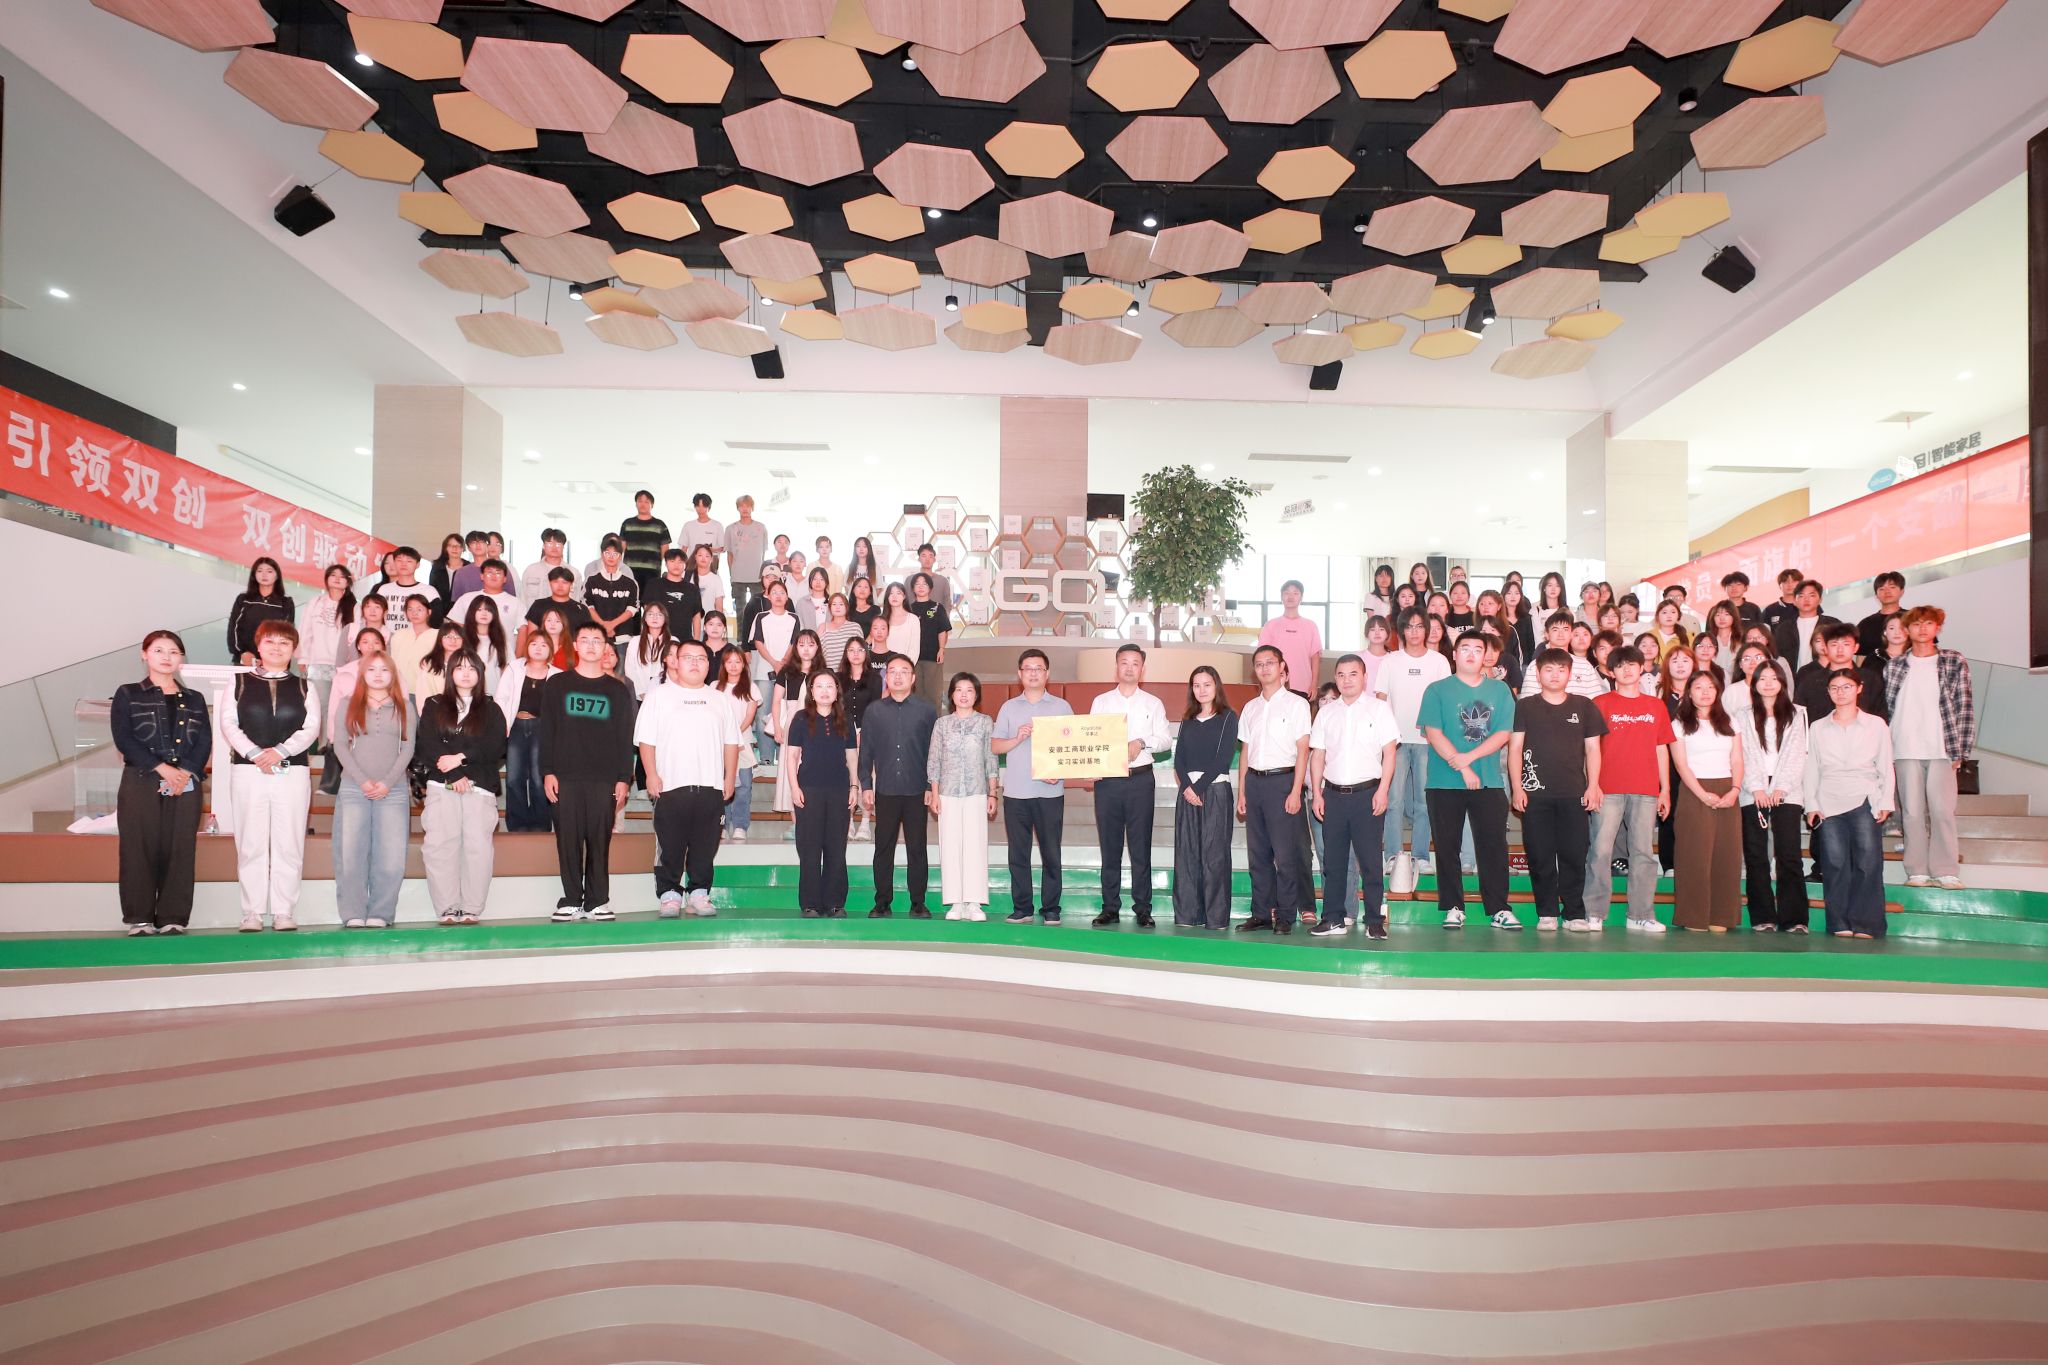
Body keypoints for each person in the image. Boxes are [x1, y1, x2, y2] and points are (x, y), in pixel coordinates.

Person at [111, 630, 211, 936]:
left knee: (180, 848)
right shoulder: (128, 693)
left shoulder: (195, 698)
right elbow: (124, 738)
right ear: (144, 655)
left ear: (181, 658)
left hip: (186, 783)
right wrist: (162, 768)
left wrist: (185, 772)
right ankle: (139, 918)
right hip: (141, 779)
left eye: (173, 652)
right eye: (158, 650)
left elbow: (203, 741)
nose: (166, 657)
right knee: (138, 847)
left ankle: (173, 917)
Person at [222, 620, 318, 933]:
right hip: (248, 771)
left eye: (284, 643)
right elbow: (229, 724)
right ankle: (251, 912)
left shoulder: (305, 686)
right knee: (250, 842)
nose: (277, 648)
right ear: (259, 646)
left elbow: (311, 728)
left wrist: (280, 752)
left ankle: (283, 911)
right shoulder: (238, 682)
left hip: (292, 771)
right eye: (270, 642)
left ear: (294, 649)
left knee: (289, 843)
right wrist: (254, 754)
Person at [636, 638, 741, 918]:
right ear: (675, 662)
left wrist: (730, 777)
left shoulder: (719, 699)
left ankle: (699, 893)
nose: (695, 663)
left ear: (709, 665)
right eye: (688, 657)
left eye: (701, 658)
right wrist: (651, 774)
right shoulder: (659, 696)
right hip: (671, 785)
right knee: (670, 843)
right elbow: (646, 740)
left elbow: (731, 743)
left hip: (710, 786)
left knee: (705, 844)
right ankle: (669, 894)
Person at [1419, 631, 1516, 930]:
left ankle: (1499, 908)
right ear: (1454, 654)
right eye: (1465, 648)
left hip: (1488, 782)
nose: (1471, 654)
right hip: (1443, 782)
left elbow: (1503, 734)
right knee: (1447, 847)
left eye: (1477, 649)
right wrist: (1462, 768)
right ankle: (1453, 907)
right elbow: (1433, 733)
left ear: (1487, 656)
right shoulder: (1437, 690)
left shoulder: (1500, 691)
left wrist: (1469, 759)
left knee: (1493, 847)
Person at [541, 623, 636, 922]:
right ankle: (571, 899)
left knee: (599, 841)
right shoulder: (557, 684)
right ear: (575, 646)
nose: (592, 645)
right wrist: (547, 771)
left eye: (598, 640)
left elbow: (624, 737)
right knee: (567, 841)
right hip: (565, 776)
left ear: (607, 647)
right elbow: (547, 731)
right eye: (585, 640)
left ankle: (597, 900)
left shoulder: (617, 690)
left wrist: (623, 777)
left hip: (603, 778)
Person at [1509, 647, 1607, 933]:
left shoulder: (1584, 706)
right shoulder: (1525, 706)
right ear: (1538, 674)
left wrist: (1593, 785)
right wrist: (1517, 788)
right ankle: (1547, 912)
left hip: (1574, 793)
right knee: (1540, 855)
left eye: (1561, 670)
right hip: (1535, 794)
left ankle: (1574, 913)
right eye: (1548, 670)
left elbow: (1593, 749)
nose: (1554, 675)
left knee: (1574, 855)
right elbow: (1515, 749)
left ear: (1570, 674)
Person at [1307, 654, 1400, 939]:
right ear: (1335, 678)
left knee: (1370, 862)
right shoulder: (1326, 713)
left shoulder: (1379, 709)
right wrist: (1317, 793)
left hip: (1368, 794)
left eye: (1353, 674)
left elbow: (1389, 753)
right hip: (1333, 796)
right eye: (1341, 675)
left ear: (1364, 677)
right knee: (1333, 863)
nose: (1347, 680)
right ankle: (1332, 918)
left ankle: (1374, 920)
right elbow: (1317, 755)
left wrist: (1383, 790)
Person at [1885, 604, 1974, 890]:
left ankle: (1946, 869)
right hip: (1904, 747)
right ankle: (1917, 870)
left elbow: (1964, 705)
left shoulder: (1953, 661)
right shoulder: (1895, 665)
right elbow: (1888, 708)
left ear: (1938, 627)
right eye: (1916, 624)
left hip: (1941, 747)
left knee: (1942, 811)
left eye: (1928, 623)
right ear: (1907, 630)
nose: (1922, 629)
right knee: (1911, 812)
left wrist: (1961, 749)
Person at [415, 649, 506, 925]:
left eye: (472, 668)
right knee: (440, 847)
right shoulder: (434, 704)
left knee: (478, 849)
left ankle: (472, 908)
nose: (465, 673)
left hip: (479, 787)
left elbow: (496, 746)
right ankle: (447, 907)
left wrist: (461, 758)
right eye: (459, 668)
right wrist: (454, 774)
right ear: (450, 672)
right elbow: (427, 744)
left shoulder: (491, 708)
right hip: (442, 784)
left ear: (480, 674)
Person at [1586, 646, 1673, 934]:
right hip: (1607, 788)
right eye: (1620, 666)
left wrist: (1665, 789)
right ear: (1611, 672)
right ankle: (1594, 912)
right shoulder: (1600, 703)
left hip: (1645, 789)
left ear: (1642, 668)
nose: (1626, 670)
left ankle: (1640, 914)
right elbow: (1590, 749)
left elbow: (1662, 749)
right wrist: (1592, 785)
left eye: (1632, 664)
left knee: (1643, 853)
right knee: (1600, 851)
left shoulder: (1656, 706)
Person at [1086, 643, 1172, 928]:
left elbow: (1165, 740)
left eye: (1135, 663)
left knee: (1140, 847)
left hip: (1140, 780)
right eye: (1124, 662)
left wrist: (1141, 742)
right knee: (1109, 847)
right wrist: (1090, 767)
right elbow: (1090, 740)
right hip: (1108, 781)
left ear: (1142, 669)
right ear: (1116, 667)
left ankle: (1143, 908)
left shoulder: (1153, 703)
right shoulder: (1100, 702)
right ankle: (1109, 907)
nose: (1129, 668)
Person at [1805, 669, 1896, 938]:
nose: (1840, 692)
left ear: (1859, 688)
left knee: (1868, 863)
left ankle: (1866, 923)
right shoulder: (1818, 727)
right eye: (1834, 687)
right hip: (1828, 800)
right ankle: (1839, 923)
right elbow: (1811, 768)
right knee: (1834, 864)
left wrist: (1886, 800)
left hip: (1865, 797)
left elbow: (1886, 764)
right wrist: (1811, 804)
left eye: (1846, 686)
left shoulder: (1876, 725)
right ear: (1828, 692)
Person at [332, 653, 414, 929]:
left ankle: (381, 912)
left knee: (391, 855)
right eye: (371, 669)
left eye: (384, 669)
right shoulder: (347, 704)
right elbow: (340, 745)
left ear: (393, 674)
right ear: (363, 673)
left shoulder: (405, 707)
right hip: (354, 788)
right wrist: (362, 781)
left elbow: (408, 748)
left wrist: (387, 782)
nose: (378, 674)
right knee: (350, 853)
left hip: (394, 790)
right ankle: (353, 912)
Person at [1235, 644, 1312, 934]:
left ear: (1282, 668)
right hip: (1254, 783)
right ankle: (1261, 914)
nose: (1264, 668)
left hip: (1283, 783)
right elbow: (1245, 752)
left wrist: (1295, 791)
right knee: (1258, 855)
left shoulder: (1297, 704)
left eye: (1270, 662)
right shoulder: (1250, 708)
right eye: (1259, 664)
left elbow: (1303, 751)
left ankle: (1285, 916)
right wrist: (1242, 791)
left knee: (1285, 855)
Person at [993, 648, 1073, 924]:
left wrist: (1058, 771)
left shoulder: (1061, 707)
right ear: (1020, 674)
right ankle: (1022, 907)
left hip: (1050, 792)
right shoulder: (1008, 707)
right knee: (1018, 853)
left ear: (1047, 674)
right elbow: (995, 746)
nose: (1033, 673)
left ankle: (1051, 908)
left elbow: (1072, 748)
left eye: (1039, 668)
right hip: (1016, 792)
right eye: (1028, 668)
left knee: (1051, 852)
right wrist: (1017, 738)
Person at [861, 655, 939, 918]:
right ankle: (882, 902)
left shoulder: (927, 710)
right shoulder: (874, 711)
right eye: (892, 671)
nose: (897, 676)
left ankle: (918, 903)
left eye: (904, 671)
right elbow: (866, 751)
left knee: (917, 848)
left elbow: (933, 752)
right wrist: (865, 784)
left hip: (917, 790)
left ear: (913, 678)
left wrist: (930, 786)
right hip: (885, 790)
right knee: (883, 848)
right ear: (887, 677)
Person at [1671, 670, 1745, 932]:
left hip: (1728, 790)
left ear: (1718, 691)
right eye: (1699, 687)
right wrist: (1702, 794)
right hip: (1694, 791)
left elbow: (1737, 759)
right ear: (1689, 692)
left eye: (1710, 687)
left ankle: (1721, 916)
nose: (1705, 692)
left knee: (1727, 855)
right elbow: (1681, 765)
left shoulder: (1730, 721)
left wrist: (1735, 790)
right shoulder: (1679, 724)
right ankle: (1694, 916)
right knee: (1694, 855)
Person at [1376, 607, 1449, 876]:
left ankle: (1420, 856)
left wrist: (1437, 733)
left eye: (1420, 626)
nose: (1415, 632)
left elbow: (1444, 702)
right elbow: (1380, 700)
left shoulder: (1439, 661)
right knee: (1393, 801)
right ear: (1401, 631)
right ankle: (1392, 855)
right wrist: (1385, 736)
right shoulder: (1390, 661)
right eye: (1409, 627)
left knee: (1424, 802)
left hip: (1428, 741)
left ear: (1426, 630)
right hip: (1394, 742)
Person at [1739, 658, 1809, 932]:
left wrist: (1782, 787)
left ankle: (1795, 918)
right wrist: (1756, 787)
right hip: (1752, 790)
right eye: (1762, 679)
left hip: (1787, 790)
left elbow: (1798, 753)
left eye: (1773, 678)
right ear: (1754, 683)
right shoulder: (1743, 715)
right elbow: (1743, 753)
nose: (1768, 684)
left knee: (1789, 854)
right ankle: (1763, 916)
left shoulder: (1797, 713)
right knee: (1756, 855)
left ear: (1782, 682)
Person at [1169, 666, 1239, 930]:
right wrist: (1188, 788)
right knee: (1186, 854)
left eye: (1207, 684)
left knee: (1215, 855)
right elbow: (1179, 759)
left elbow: (1223, 758)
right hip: (1187, 793)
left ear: (1216, 686)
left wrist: (1197, 788)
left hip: (1215, 790)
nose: (1201, 690)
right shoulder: (1187, 720)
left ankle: (1216, 918)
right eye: (1196, 685)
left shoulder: (1228, 717)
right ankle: (1188, 915)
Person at [787, 669, 858, 917]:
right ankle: (811, 903)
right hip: (808, 790)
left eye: (830, 686)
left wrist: (854, 786)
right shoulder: (800, 718)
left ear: (837, 690)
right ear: (811, 691)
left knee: (836, 847)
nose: (825, 691)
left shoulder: (846, 718)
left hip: (839, 790)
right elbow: (792, 756)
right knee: (809, 847)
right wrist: (794, 787)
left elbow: (852, 756)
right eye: (819, 686)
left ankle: (835, 902)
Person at [928, 672, 997, 920]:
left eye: (969, 690)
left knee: (975, 846)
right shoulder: (942, 724)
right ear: (951, 695)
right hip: (947, 793)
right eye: (959, 690)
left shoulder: (985, 722)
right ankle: (955, 903)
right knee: (950, 846)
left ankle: (974, 903)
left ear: (976, 695)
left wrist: (993, 793)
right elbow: (934, 760)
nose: (964, 695)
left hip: (977, 792)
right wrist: (935, 793)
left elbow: (991, 759)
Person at [495, 626, 559, 833]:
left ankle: (541, 825)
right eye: (534, 644)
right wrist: (502, 726)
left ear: (551, 649)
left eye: (544, 645)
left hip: (542, 729)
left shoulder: (557, 675)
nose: (538, 648)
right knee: (514, 778)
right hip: (515, 726)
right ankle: (517, 825)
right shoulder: (514, 668)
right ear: (527, 647)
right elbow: (501, 699)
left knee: (539, 780)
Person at [770, 628, 826, 814]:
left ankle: (815, 814)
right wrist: (777, 727)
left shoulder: (824, 673)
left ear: (818, 647)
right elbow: (776, 701)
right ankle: (796, 821)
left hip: (817, 723)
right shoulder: (786, 672)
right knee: (791, 768)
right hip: (792, 723)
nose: (806, 649)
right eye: (801, 645)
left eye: (811, 645)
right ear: (795, 648)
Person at [747, 577, 799, 765]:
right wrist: (773, 662)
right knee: (763, 714)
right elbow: (758, 642)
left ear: (787, 597)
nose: (778, 596)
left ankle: (782, 756)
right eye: (774, 592)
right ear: (767, 595)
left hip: (788, 672)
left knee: (784, 712)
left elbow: (794, 643)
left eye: (782, 593)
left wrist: (783, 662)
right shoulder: (761, 617)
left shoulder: (794, 618)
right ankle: (766, 758)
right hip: (764, 671)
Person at [838, 635, 883, 838]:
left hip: (869, 733)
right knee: (847, 776)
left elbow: (875, 708)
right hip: (843, 733)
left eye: (860, 650)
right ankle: (847, 821)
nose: (856, 654)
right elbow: (837, 708)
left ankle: (865, 821)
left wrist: (864, 733)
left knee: (867, 775)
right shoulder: (838, 678)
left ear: (866, 653)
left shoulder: (875, 678)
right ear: (846, 654)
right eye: (851, 650)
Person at [1797, 623, 1884, 723]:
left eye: (1846, 644)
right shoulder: (1810, 681)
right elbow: (1799, 717)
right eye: (1834, 645)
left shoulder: (1871, 679)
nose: (1840, 650)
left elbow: (1881, 716)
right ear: (1825, 648)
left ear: (1856, 647)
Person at [714, 646, 758, 842]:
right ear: (723, 664)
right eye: (729, 661)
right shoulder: (715, 687)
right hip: (719, 744)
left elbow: (750, 715)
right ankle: (722, 825)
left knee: (744, 786)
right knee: (720, 786)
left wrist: (735, 734)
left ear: (744, 664)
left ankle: (740, 825)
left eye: (737, 661)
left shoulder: (751, 687)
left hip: (743, 742)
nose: (733, 665)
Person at [1258, 580, 1323, 698]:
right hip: (1275, 686)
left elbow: (1315, 657)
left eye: (1295, 593)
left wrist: (1314, 684)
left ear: (1301, 597)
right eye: (1287, 593)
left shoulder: (1311, 626)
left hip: (1303, 686)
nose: (1291, 596)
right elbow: (1262, 657)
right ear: (1281, 597)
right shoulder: (1270, 625)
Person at [227, 556, 295, 665]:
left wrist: (266, 658)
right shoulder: (244, 599)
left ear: (277, 575)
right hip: (245, 660)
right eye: (260, 571)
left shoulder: (286, 602)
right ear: (254, 575)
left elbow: (286, 635)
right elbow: (233, 628)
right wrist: (242, 653)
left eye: (269, 571)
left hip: (274, 661)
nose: (264, 575)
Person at [1771, 578, 1838, 671]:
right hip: (1794, 677)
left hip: (1826, 675)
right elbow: (1777, 656)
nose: (1806, 599)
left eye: (1811, 595)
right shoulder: (1784, 628)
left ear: (1820, 600)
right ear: (1794, 601)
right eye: (1801, 596)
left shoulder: (1833, 625)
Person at [908, 572, 953, 708]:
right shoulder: (908, 609)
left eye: (924, 584)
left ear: (930, 588)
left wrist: (941, 649)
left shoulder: (937, 607)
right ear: (913, 588)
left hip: (933, 657)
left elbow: (942, 630)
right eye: (917, 584)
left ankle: (934, 722)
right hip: (913, 659)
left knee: (933, 694)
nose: (921, 586)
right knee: (916, 695)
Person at [584, 535, 640, 643]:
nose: (611, 557)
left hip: (623, 638)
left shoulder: (630, 582)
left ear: (620, 557)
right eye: (607, 553)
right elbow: (587, 604)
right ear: (602, 555)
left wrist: (612, 624)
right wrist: (603, 625)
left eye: (615, 554)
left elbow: (633, 608)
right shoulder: (591, 580)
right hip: (596, 635)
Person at [618, 490, 671, 597]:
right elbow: (621, 548)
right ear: (636, 503)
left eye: (646, 502)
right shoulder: (627, 523)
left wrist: (655, 563)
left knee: (650, 601)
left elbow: (665, 549)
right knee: (631, 601)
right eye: (640, 501)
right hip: (630, 571)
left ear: (652, 505)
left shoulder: (660, 525)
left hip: (652, 572)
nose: (643, 504)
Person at [644, 548, 703, 641]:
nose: (676, 565)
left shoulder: (692, 589)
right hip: (657, 639)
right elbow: (646, 611)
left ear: (685, 565)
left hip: (684, 640)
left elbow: (696, 617)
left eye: (680, 562)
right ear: (666, 563)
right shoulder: (654, 584)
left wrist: (696, 641)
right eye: (672, 561)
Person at [624, 599, 676, 703]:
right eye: (650, 614)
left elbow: (675, 669)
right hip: (639, 697)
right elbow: (630, 671)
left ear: (665, 619)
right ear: (645, 618)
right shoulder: (635, 641)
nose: (655, 617)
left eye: (659, 615)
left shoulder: (673, 641)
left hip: (666, 696)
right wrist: (642, 695)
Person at [449, 558, 521, 631]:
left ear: (505, 578)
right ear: (482, 576)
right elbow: (455, 628)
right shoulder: (466, 599)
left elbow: (522, 629)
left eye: (498, 573)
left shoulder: (515, 602)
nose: (494, 576)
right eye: (489, 573)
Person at [725, 495, 768, 618]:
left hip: (757, 576)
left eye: (748, 506)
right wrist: (732, 574)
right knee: (740, 610)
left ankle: (757, 631)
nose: (745, 509)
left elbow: (762, 553)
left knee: (758, 610)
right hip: (737, 576)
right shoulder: (730, 528)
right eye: (742, 506)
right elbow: (729, 554)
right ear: (737, 508)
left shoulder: (761, 527)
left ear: (752, 508)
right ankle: (741, 632)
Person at [459, 592, 511, 692]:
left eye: (488, 610)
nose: (484, 613)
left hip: (495, 693)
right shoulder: (462, 639)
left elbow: (508, 669)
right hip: (467, 693)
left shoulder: (501, 641)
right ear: (472, 612)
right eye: (479, 610)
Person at [414, 624, 469, 715]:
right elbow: (423, 695)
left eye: (457, 637)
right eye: (448, 637)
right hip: (436, 716)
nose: (453, 640)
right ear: (440, 639)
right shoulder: (429, 665)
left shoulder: (470, 664)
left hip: (465, 715)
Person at [372, 546, 438, 622]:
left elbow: (436, 621)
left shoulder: (429, 591)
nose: (403, 564)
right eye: (399, 560)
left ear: (417, 565)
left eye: (409, 561)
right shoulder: (383, 590)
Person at [524, 567, 591, 636]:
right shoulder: (538, 605)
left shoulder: (581, 609)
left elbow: (587, 635)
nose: (560, 586)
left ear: (571, 585)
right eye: (556, 582)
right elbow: (531, 636)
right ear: (549, 583)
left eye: (564, 582)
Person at [520, 528, 574, 606]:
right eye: (550, 544)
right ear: (543, 546)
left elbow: (576, 601)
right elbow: (522, 599)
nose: (554, 547)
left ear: (563, 547)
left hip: (563, 613)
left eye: (558, 544)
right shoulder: (531, 570)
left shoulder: (573, 573)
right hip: (534, 613)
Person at [677, 492, 724, 563]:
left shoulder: (717, 525)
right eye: (698, 506)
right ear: (694, 507)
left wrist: (711, 550)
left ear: (709, 507)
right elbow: (684, 549)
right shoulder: (688, 525)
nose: (700, 509)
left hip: (711, 565)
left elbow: (723, 548)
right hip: (692, 566)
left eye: (704, 506)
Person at [882, 581, 922, 664]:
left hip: (906, 667)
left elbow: (914, 649)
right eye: (891, 593)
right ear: (887, 597)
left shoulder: (913, 619)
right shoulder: (882, 619)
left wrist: (906, 667)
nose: (894, 596)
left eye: (898, 593)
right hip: (883, 667)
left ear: (904, 596)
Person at [446, 530, 491, 605]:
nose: (478, 545)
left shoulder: (499, 569)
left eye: (481, 542)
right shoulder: (461, 573)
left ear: (488, 546)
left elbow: (509, 597)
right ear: (469, 548)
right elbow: (457, 602)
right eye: (473, 542)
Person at [905, 542, 953, 610]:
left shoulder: (943, 581)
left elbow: (947, 603)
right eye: (924, 556)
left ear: (934, 560)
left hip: (937, 616)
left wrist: (944, 616)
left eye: (930, 556)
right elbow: (905, 602)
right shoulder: (909, 580)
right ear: (919, 559)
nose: (927, 559)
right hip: (914, 616)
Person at [429, 533, 472, 606]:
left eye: (458, 546)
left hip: (464, 607)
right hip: (441, 608)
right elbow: (432, 590)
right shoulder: (437, 567)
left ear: (463, 548)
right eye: (451, 546)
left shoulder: (469, 567)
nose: (455, 549)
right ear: (446, 548)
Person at [1760, 567, 1803, 631]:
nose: (1790, 584)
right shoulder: (1770, 610)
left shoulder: (1806, 606)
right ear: (1779, 585)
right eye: (1785, 582)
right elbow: (1764, 633)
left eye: (1793, 581)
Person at [794, 565, 832, 632]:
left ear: (826, 582)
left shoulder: (832, 602)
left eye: (821, 579)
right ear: (810, 582)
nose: (818, 582)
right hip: (807, 638)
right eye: (814, 579)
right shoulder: (801, 603)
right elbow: (799, 626)